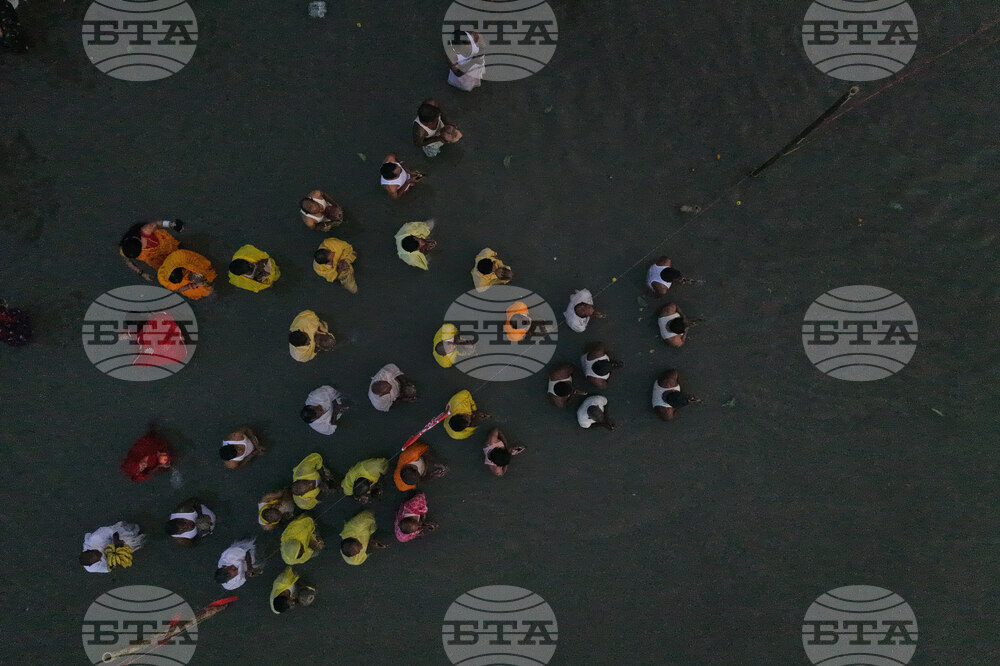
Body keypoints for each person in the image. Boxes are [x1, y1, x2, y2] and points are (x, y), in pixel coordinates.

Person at [80, 522, 144, 573]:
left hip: (114, 536)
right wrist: (117, 564)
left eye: (96, 553)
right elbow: (109, 568)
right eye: (98, 559)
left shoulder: (95, 537)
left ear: (89, 550)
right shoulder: (92, 568)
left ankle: (130, 530)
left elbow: (113, 531)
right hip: (111, 551)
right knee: (126, 548)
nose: (99, 555)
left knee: (126, 538)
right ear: (92, 563)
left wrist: (116, 541)